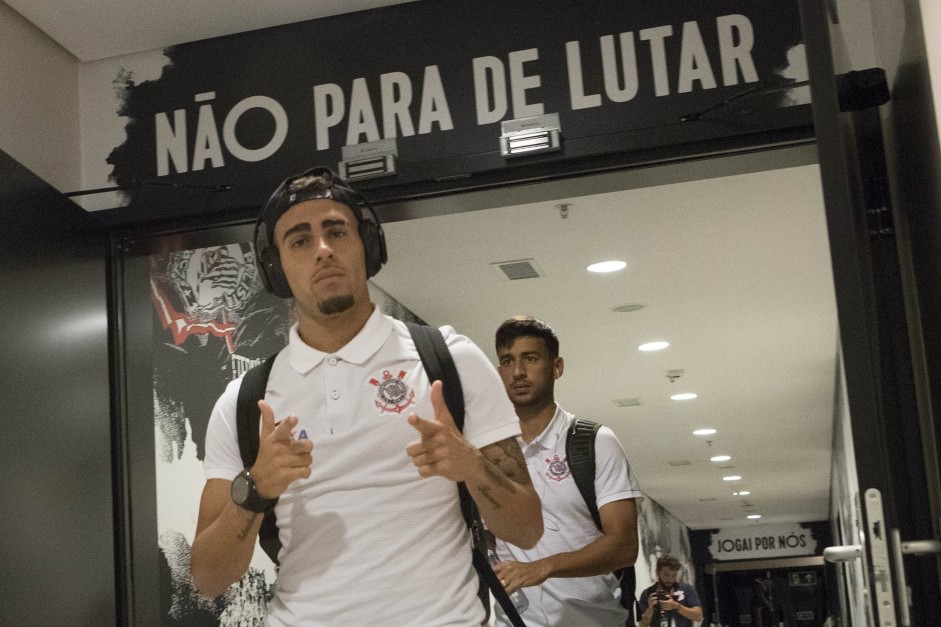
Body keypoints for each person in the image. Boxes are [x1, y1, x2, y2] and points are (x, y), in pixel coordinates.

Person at [190, 166, 543, 626]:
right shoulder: (244, 402)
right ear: (275, 267)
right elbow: (208, 577)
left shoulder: (450, 360)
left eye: (336, 231)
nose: (322, 250)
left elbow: (528, 529)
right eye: (300, 240)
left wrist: (472, 466)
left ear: (367, 246)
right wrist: (257, 489)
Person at [490, 315, 642, 626]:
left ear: (557, 367)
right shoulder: (485, 452)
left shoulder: (595, 442)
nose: (517, 372)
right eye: (507, 361)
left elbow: (625, 545)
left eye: (530, 358)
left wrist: (543, 567)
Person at [637, 555, 703, 627]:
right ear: (658, 573)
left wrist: (676, 606)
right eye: (666, 575)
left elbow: (698, 616)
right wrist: (650, 609)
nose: (670, 579)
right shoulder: (648, 594)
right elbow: (642, 625)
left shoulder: (686, 590)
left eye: (674, 575)